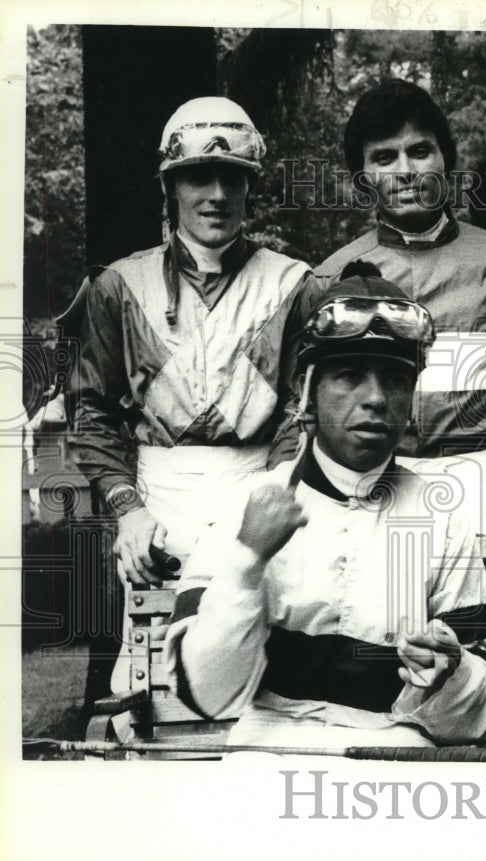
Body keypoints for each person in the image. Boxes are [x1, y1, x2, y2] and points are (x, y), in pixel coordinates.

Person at [164, 265, 486, 750]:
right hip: (268, 745)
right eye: (349, 375)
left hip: (398, 749)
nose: (375, 398)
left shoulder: (441, 516)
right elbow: (207, 696)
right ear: (308, 390)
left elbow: (483, 714)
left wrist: (450, 673)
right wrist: (247, 562)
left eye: (395, 378)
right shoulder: (250, 504)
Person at [62, 97, 323, 732]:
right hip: (157, 492)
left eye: (232, 176)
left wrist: (274, 491)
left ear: (250, 187)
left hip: (257, 479)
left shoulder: (296, 283)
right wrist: (127, 507)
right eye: (197, 176)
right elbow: (91, 409)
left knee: (249, 655)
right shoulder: (119, 285)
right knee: (147, 675)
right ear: (170, 185)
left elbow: (303, 408)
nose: (215, 194)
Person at [315, 79, 486, 465]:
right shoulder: (331, 277)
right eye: (384, 158)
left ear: (445, 159)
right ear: (362, 177)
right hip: (373, 483)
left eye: (419, 152)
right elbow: (308, 407)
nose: (406, 171)